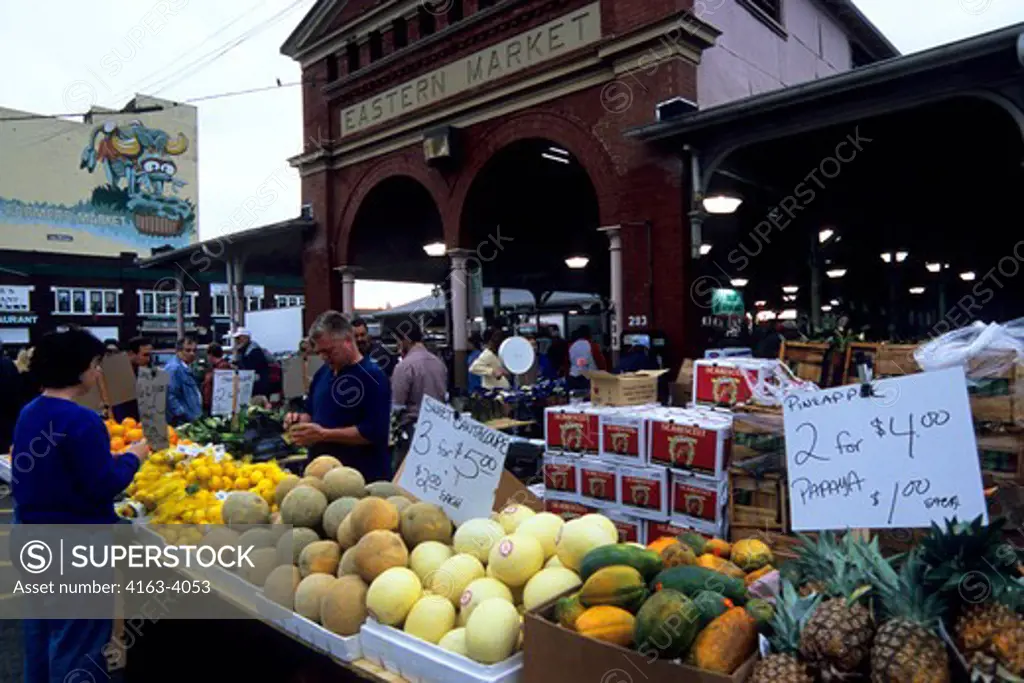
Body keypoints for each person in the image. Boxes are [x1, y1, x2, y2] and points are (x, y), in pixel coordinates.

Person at [12, 328, 149, 683]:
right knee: (79, 645)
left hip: (32, 539)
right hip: (76, 548)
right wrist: (133, 458)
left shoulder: (30, 412)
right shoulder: (83, 421)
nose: (99, 372)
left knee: (41, 633)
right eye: (96, 364)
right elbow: (102, 485)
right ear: (79, 369)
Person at [285, 311, 392, 482]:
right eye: (319, 352)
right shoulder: (322, 373)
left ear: (348, 341)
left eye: (329, 351)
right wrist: (299, 422)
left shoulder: (373, 376)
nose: (323, 357)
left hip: (360, 481)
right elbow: (310, 411)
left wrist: (324, 434)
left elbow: (374, 432)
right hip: (321, 480)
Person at [391, 325, 447, 437]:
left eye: (398, 341)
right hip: (439, 427)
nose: (398, 346)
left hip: (413, 430)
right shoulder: (439, 363)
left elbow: (397, 406)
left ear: (406, 340)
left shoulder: (404, 366)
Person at [111, 336, 152, 422]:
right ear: (131, 354)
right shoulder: (117, 374)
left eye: (149, 355)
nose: (148, 359)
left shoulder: (143, 371)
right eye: (145, 355)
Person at [165, 335, 202, 425]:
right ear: (178, 351)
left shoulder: (185, 366)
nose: (192, 353)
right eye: (188, 350)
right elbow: (170, 396)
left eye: (194, 350)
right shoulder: (174, 368)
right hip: (183, 422)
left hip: (190, 419)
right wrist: (182, 415)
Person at [232, 328, 271, 398]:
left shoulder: (254, 351)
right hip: (251, 385)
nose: (237, 341)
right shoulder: (243, 351)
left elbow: (249, 368)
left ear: (246, 338)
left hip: (258, 387)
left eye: (239, 338)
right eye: (236, 339)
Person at [567, 325, 606, 391]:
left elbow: (567, 362)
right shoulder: (593, 345)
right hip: (590, 378)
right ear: (589, 334)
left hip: (573, 377)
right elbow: (600, 362)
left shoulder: (571, 346)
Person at [201, 342, 233, 412]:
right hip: (210, 404)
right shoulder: (213, 368)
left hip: (217, 405)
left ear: (211, 355)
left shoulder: (223, 367)